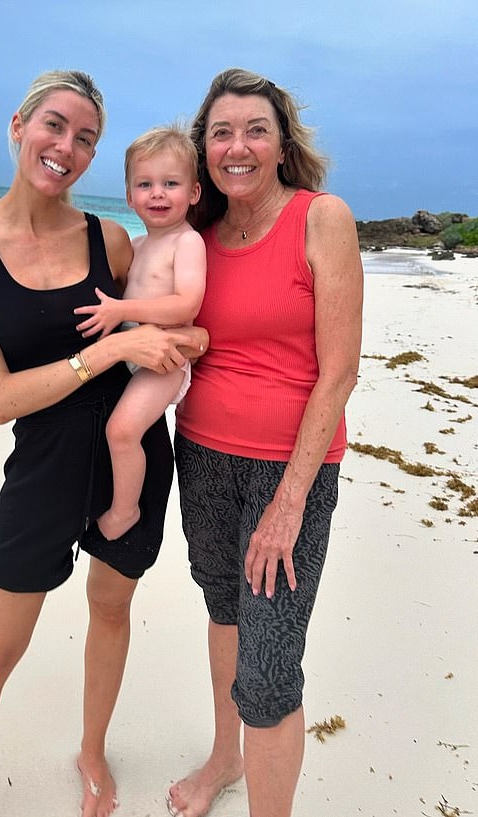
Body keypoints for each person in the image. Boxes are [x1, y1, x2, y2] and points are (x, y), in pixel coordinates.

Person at [0, 70, 205, 817]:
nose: (67, 147)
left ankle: (91, 749)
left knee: (111, 609)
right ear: (18, 125)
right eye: (55, 126)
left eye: (85, 139)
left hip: (131, 456)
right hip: (44, 467)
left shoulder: (108, 238)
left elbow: (172, 319)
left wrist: (191, 337)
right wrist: (108, 354)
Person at [167, 68, 363, 817]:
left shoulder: (321, 218)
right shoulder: (196, 236)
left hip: (292, 470)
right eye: (221, 132)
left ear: (282, 145)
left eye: (254, 130)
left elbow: (340, 370)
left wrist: (289, 502)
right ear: (204, 148)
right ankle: (226, 756)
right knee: (223, 607)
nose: (236, 146)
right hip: (203, 455)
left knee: (272, 663)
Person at [73, 126, 206, 540]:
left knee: (123, 430)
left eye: (171, 183)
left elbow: (187, 304)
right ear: (129, 197)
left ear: (194, 193)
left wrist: (120, 311)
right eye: (145, 185)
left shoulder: (188, 242)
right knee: (107, 428)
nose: (158, 194)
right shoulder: (136, 243)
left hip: (165, 362)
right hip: (132, 355)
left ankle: (125, 511)